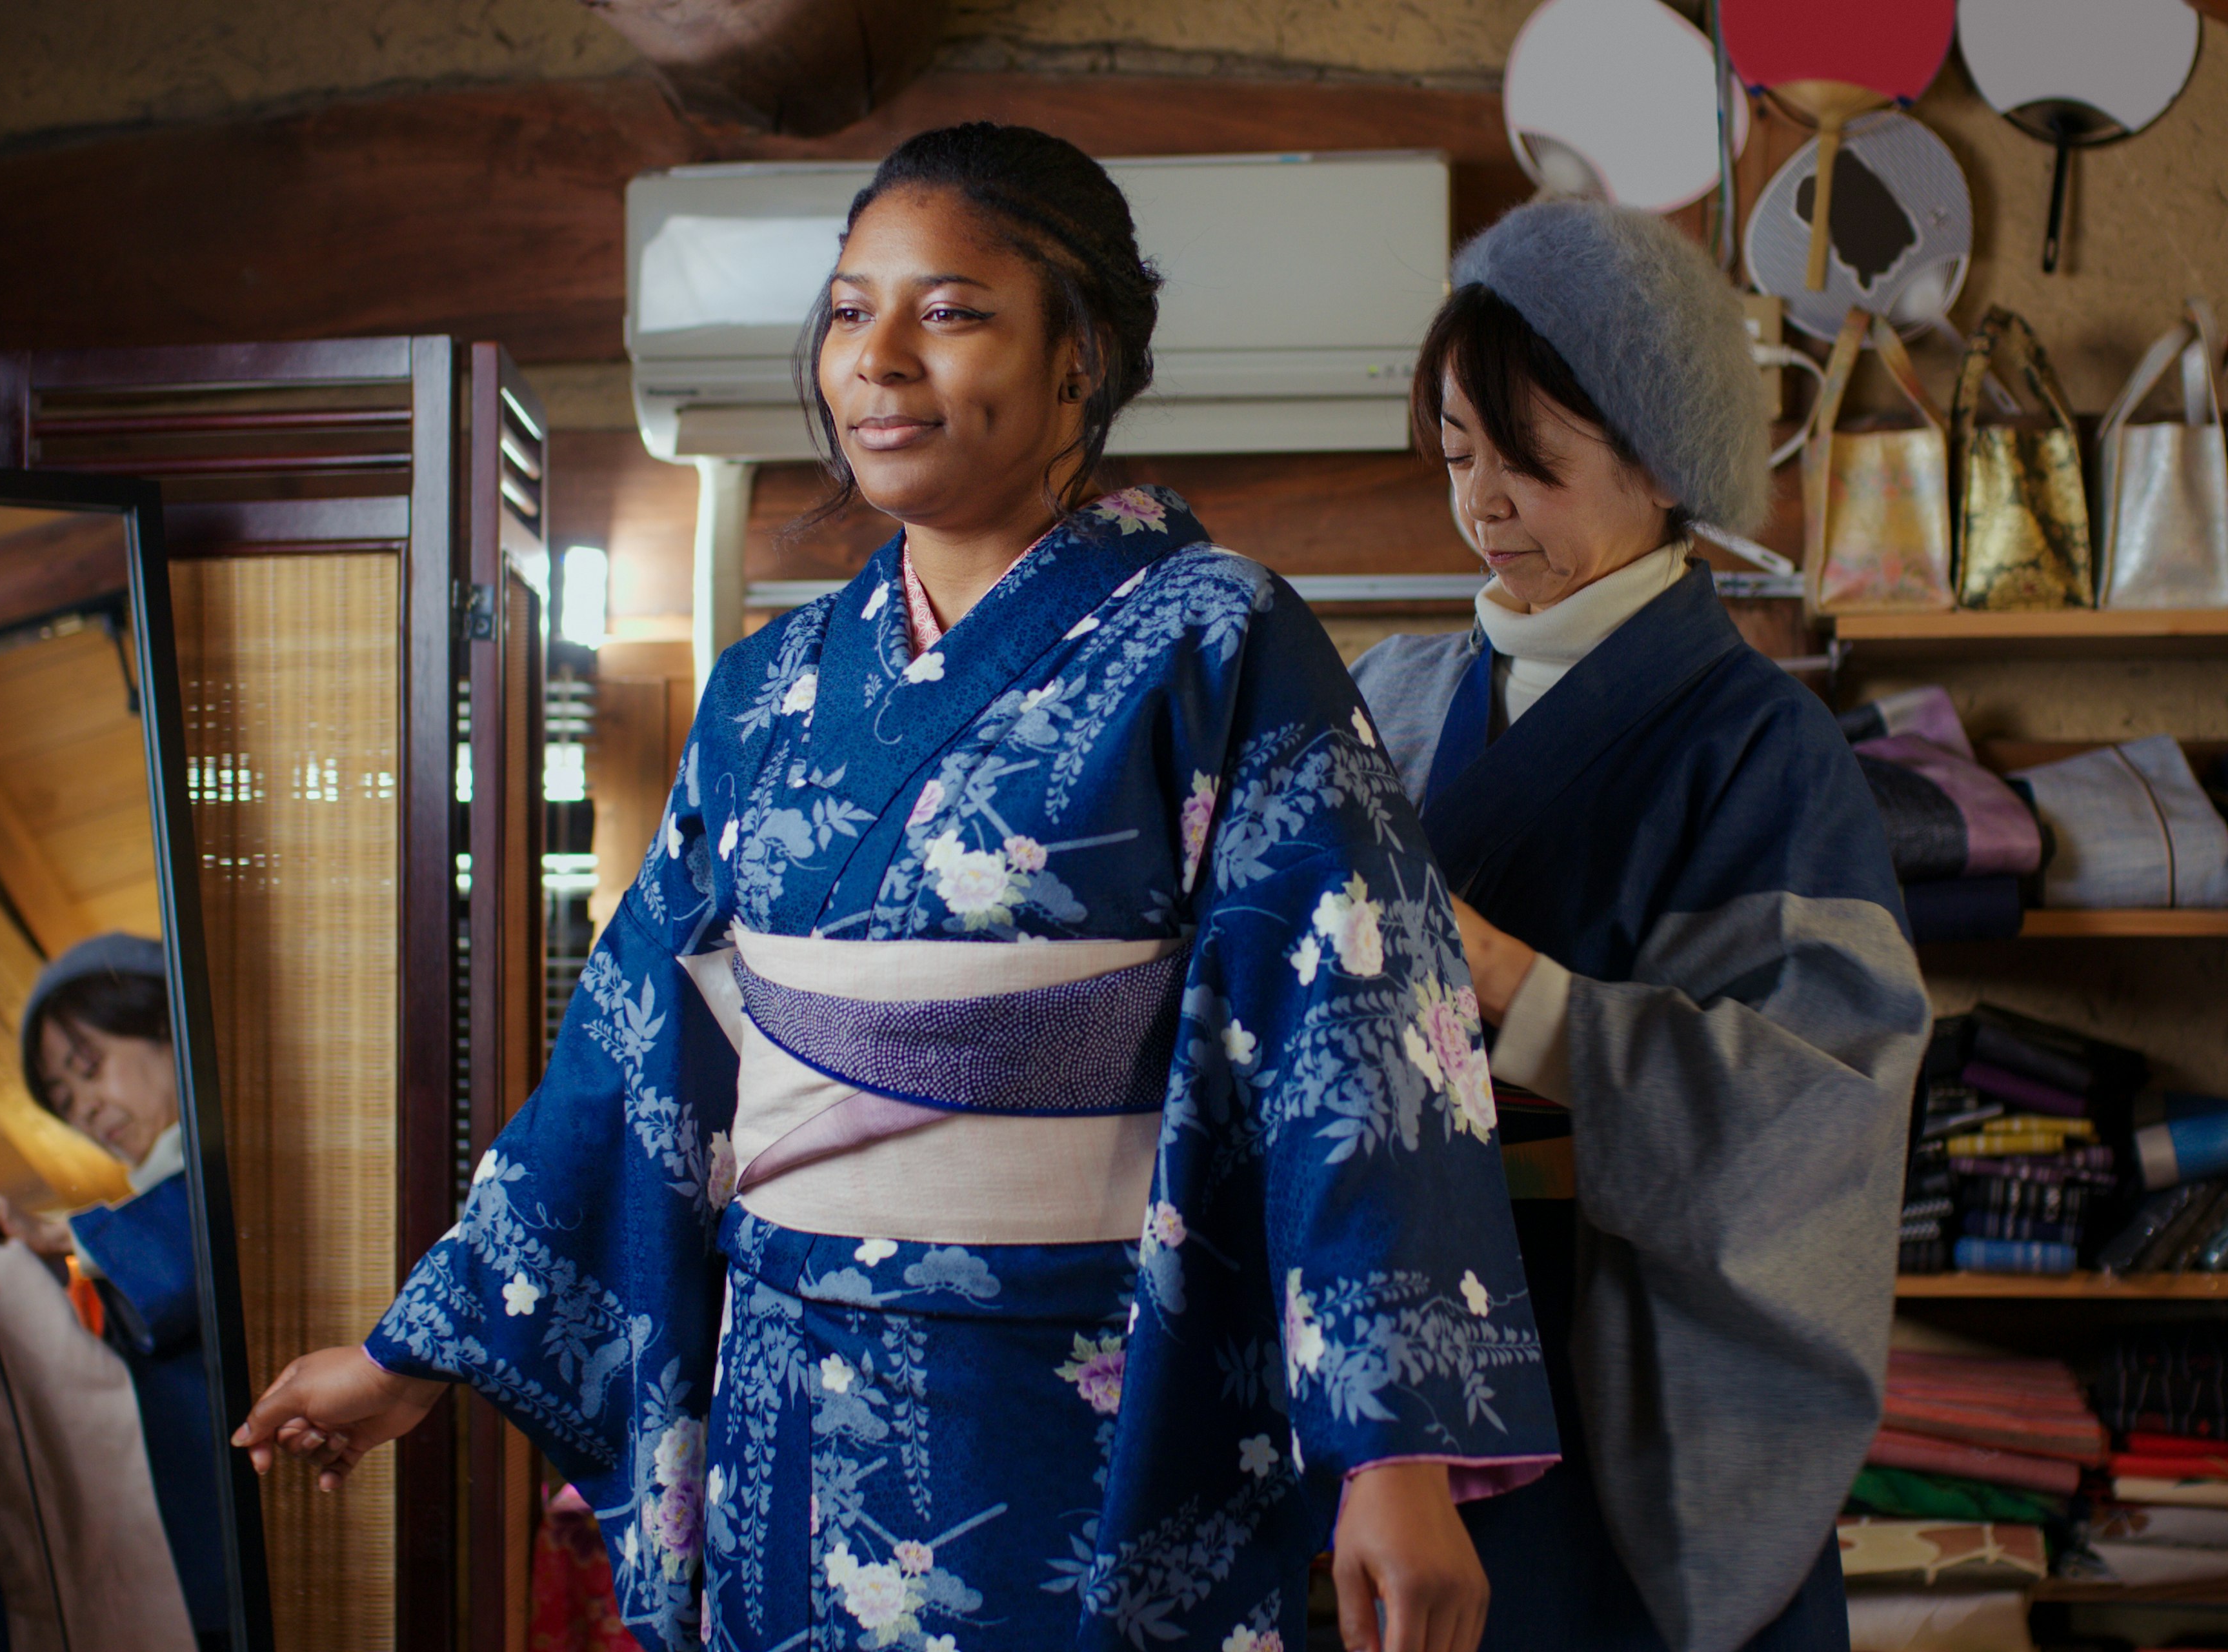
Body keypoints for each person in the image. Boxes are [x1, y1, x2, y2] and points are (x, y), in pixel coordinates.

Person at [236, 123, 1558, 1652]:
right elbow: (634, 1047)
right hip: (791, 1403)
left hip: (1090, 1393)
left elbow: (1353, 1013)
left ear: (1081, 355)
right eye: (849, 309)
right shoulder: (766, 688)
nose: (875, 357)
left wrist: (1393, 1454)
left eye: (948, 310)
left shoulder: (1214, 637)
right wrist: (414, 1352)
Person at [1348, 201, 1931, 1652]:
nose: (1485, 508)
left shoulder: (1764, 748)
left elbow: (1816, 1120)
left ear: (1663, 462)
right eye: (1459, 456)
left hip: (1618, 1380)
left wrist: (1513, 986)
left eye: (1528, 463)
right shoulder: (1389, 699)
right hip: (1397, 1385)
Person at [0, 932, 227, 1647]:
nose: (85, 1110)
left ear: (166, 1023)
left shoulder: (236, 1163)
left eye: (88, 1067)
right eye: (65, 1099)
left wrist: (57, 1235)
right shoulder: (160, 1194)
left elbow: (200, 1243)